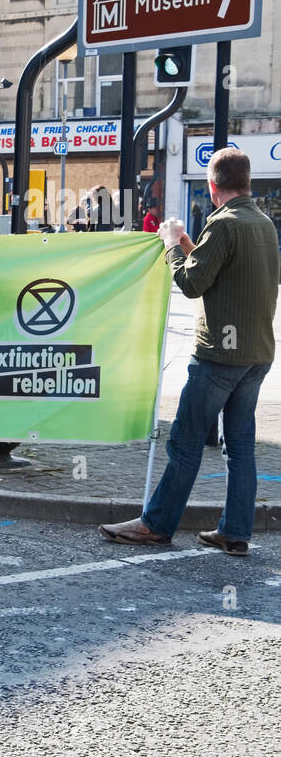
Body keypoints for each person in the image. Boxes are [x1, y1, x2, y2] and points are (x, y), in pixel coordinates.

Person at [100, 149, 279, 556]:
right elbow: (220, 267)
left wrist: (169, 246)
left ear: (212, 186)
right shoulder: (263, 223)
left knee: (185, 441)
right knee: (240, 445)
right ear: (247, 182)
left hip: (219, 355)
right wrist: (186, 242)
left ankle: (156, 525)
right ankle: (235, 532)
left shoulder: (224, 224)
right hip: (257, 355)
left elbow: (193, 283)